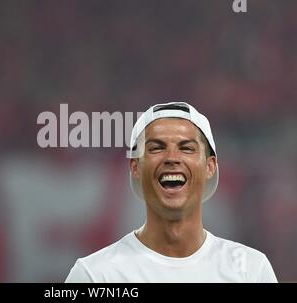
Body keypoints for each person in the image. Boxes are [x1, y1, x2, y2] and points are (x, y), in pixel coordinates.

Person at [65, 102, 277, 283]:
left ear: (210, 167)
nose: (172, 158)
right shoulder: (95, 275)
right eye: (157, 148)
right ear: (135, 167)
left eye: (186, 148)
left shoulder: (251, 271)